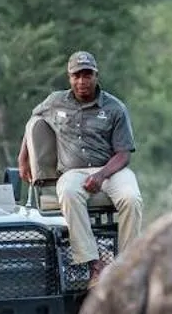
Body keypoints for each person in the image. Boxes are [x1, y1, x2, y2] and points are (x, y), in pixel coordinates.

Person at [21, 50, 143, 276]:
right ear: (69, 78)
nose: (82, 81)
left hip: (111, 169)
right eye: (76, 76)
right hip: (72, 171)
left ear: (96, 76)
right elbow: (33, 121)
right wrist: (23, 157)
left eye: (87, 75)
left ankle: (127, 266)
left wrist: (101, 175)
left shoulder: (115, 108)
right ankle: (92, 263)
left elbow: (124, 154)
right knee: (67, 192)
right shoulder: (55, 101)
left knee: (132, 198)